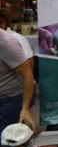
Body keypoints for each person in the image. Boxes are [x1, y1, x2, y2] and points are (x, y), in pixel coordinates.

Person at [0, 9, 36, 137]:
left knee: (7, 143)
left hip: (10, 99)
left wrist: (25, 109)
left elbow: (28, 74)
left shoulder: (6, 42)